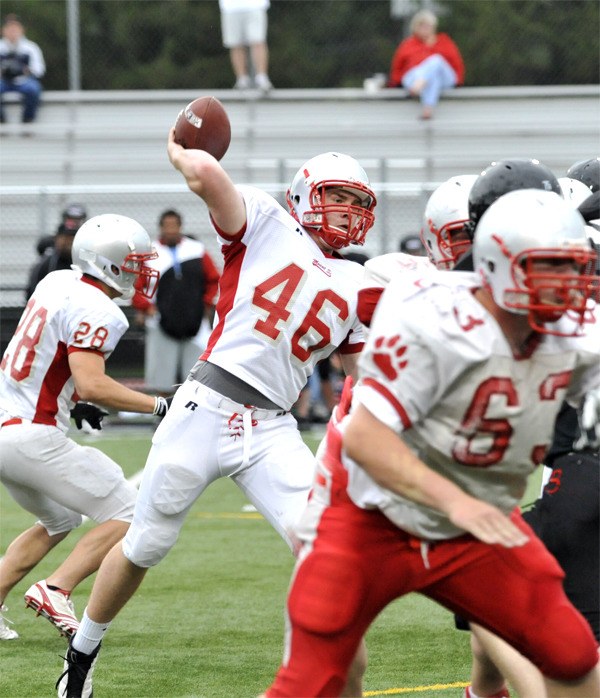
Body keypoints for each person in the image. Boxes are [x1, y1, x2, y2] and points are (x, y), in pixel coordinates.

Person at [56, 138, 377, 697]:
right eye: (337, 197)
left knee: (325, 551)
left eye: (357, 200)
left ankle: (304, 678)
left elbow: (361, 371)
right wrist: (182, 145)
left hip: (275, 426)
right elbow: (204, 172)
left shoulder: (356, 281)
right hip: (207, 406)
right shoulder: (268, 222)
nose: (347, 210)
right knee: (144, 546)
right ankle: (82, 654)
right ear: (304, 195)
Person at [262, 189, 600, 697]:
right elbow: (367, 440)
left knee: (572, 654)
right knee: (311, 681)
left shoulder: (574, 329)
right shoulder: (433, 318)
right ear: (497, 264)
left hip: (471, 522)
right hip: (370, 521)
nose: (566, 284)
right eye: (548, 266)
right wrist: (459, 504)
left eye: (575, 268)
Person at [0, 214, 172, 642]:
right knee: (131, 514)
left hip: (8, 423)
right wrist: (160, 405)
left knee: (59, 519)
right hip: (31, 436)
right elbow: (95, 384)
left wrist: (72, 402)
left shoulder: (57, 281)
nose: (141, 270)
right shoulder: (101, 310)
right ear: (107, 262)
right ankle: (57, 588)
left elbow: (48, 357)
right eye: (133, 262)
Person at [131, 208, 220, 395]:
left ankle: (194, 407)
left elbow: (213, 279)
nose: (171, 230)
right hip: (161, 319)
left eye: (174, 225)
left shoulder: (196, 249)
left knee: (197, 371)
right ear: (160, 227)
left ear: (180, 226)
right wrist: (146, 308)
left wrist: (206, 304)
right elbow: (138, 287)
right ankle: (162, 412)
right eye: (167, 226)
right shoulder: (150, 253)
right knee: (162, 373)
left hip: (194, 319)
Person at [388, 9, 464, 120]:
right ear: (415, 28)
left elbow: (457, 65)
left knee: (436, 61)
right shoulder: (408, 45)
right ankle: (428, 108)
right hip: (413, 78)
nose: (425, 29)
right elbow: (397, 68)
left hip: (442, 79)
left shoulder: (444, 41)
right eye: (422, 26)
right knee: (432, 77)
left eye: (428, 26)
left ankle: (421, 82)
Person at [28, 203, 89, 298]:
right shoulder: (47, 262)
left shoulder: (89, 261)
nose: (69, 242)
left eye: (73, 237)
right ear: (57, 238)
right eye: (66, 237)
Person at [0, 13, 45, 124]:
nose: (12, 31)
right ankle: (1, 121)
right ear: (3, 30)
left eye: (15, 27)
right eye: (9, 28)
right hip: (3, 81)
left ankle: (27, 120)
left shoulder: (31, 47)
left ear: (22, 30)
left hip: (24, 81)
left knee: (33, 89)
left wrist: (25, 70)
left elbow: (39, 69)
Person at [219, 0, 272, 92]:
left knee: (258, 41)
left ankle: (261, 78)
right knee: (235, 44)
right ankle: (242, 80)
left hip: (255, 5)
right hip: (231, 7)